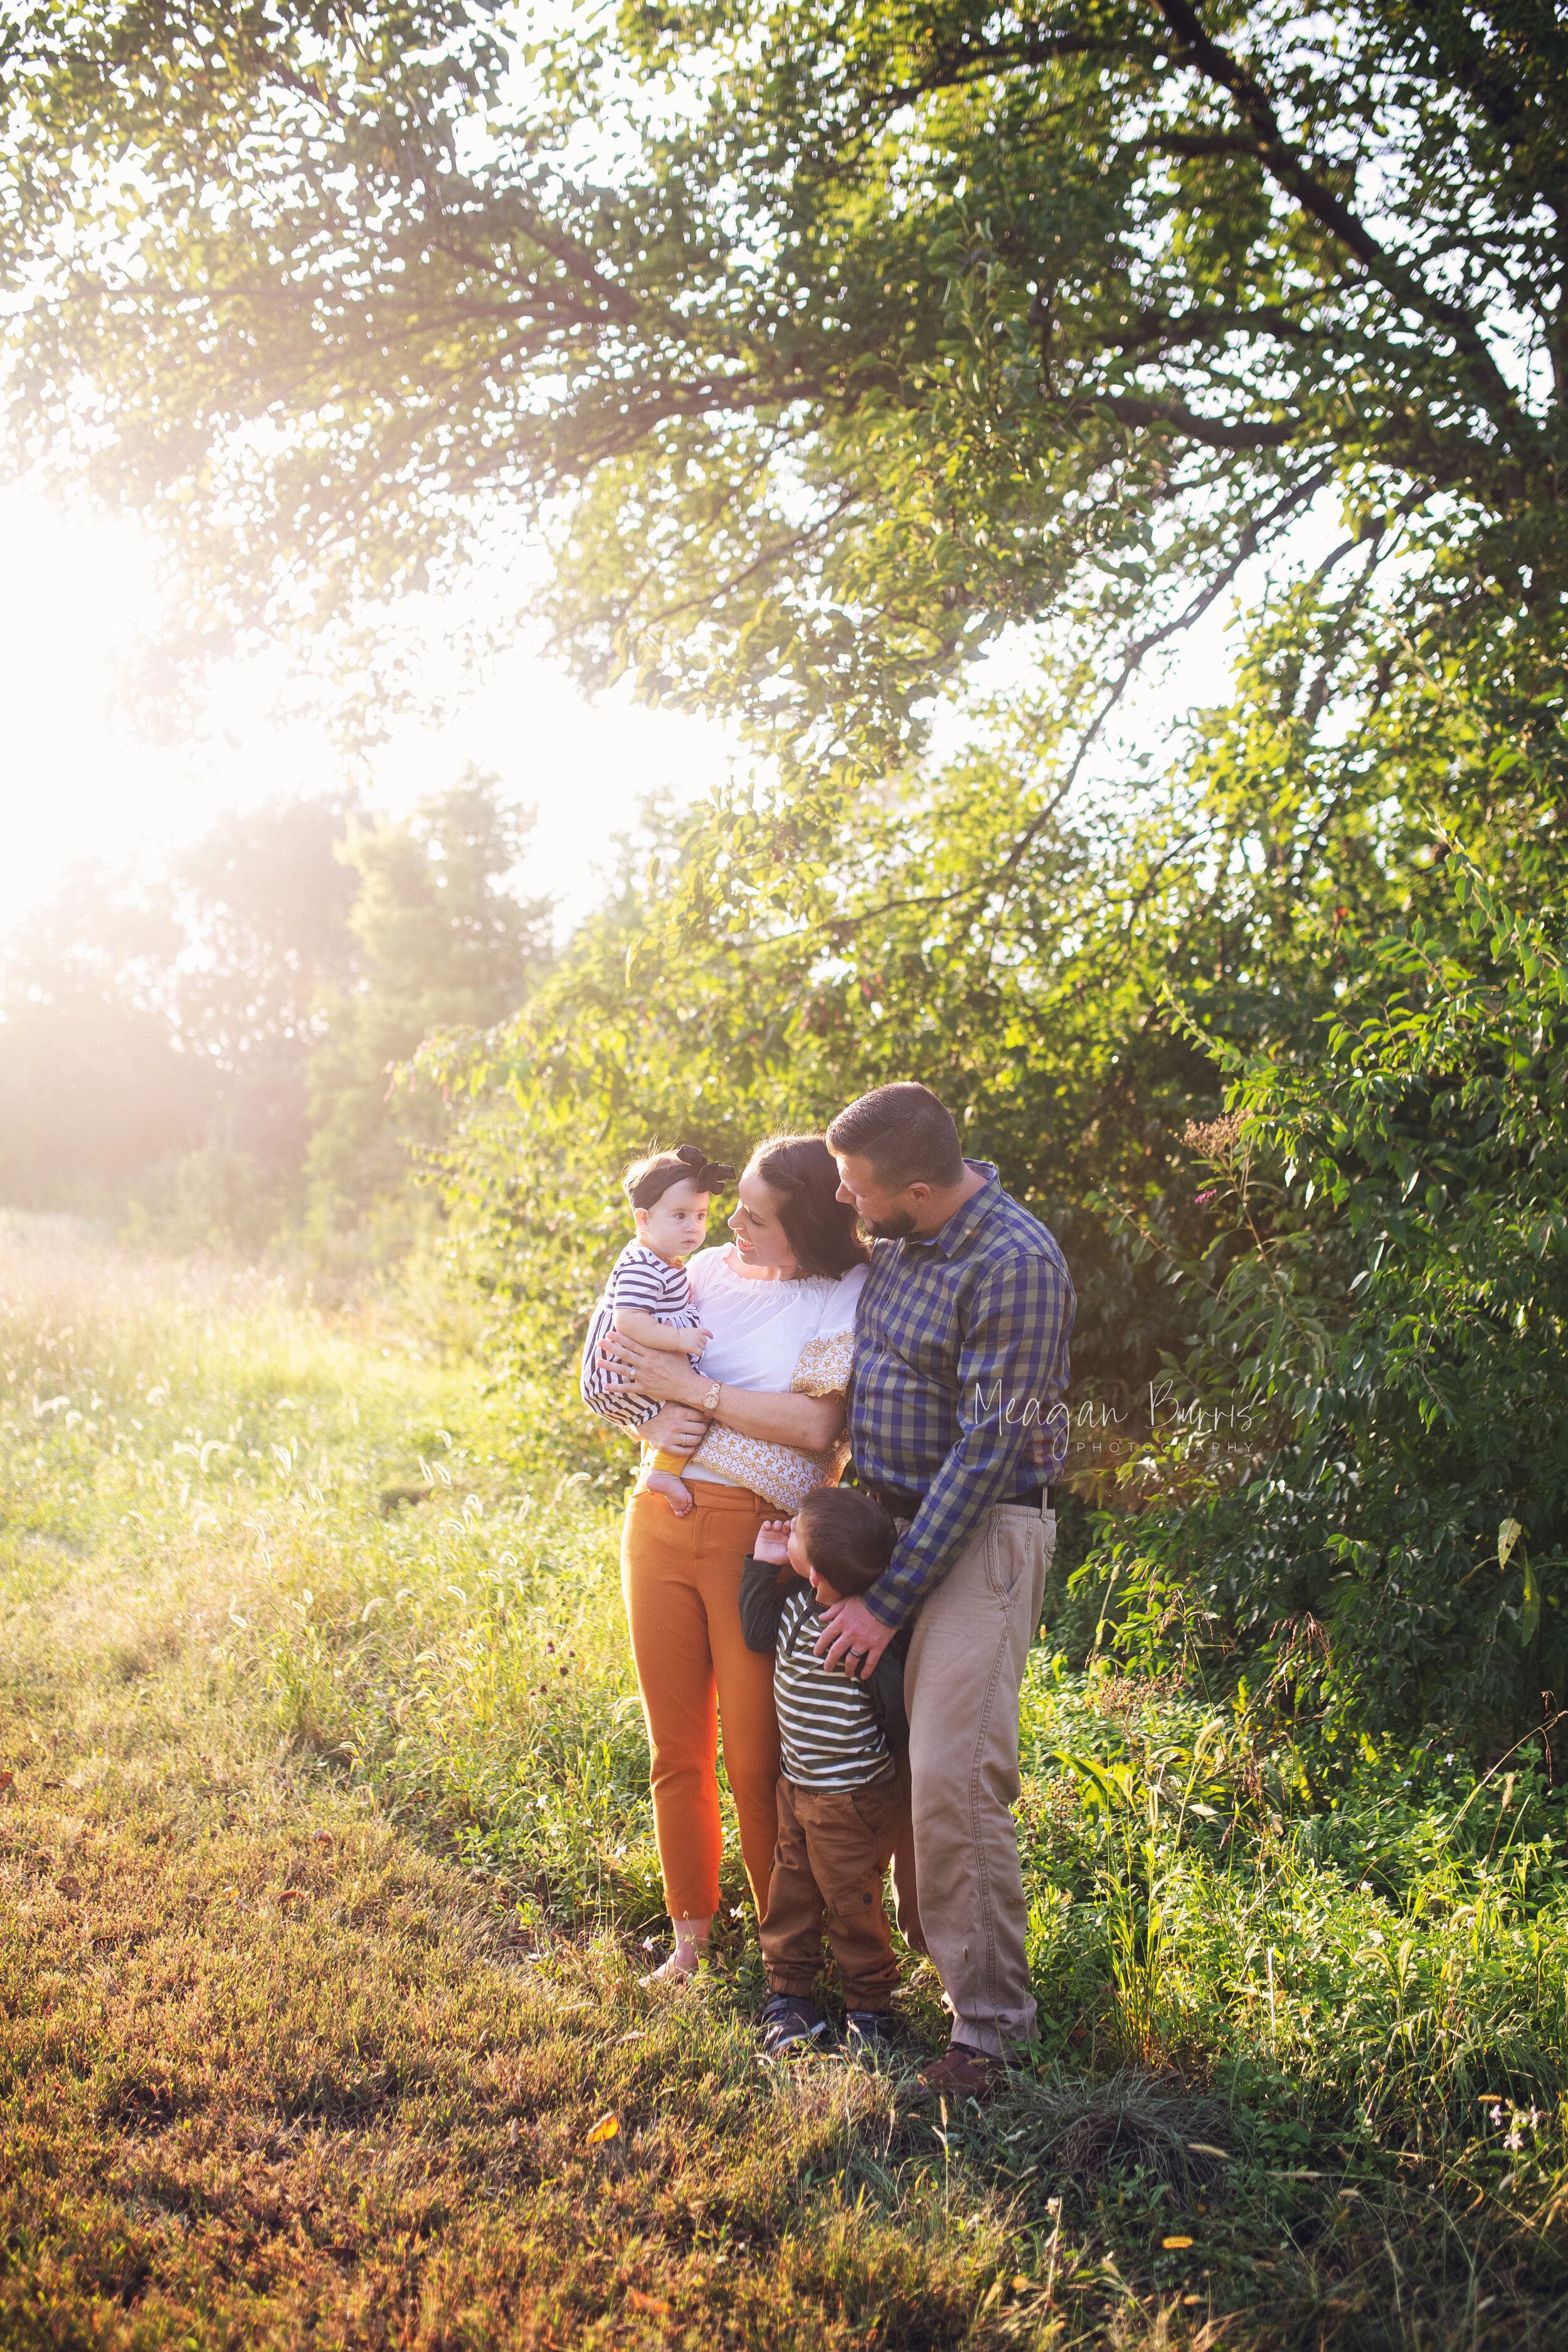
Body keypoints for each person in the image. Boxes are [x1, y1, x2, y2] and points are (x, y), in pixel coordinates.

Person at [818, 1082, 1074, 2099]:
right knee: (872, 1768)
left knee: (957, 1779)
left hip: (980, 1531)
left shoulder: (1016, 1263)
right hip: (877, 1521)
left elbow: (988, 1450)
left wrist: (888, 1601)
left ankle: (993, 2036)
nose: (848, 1205)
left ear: (917, 1190)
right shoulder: (894, 1242)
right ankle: (883, 1976)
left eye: (856, 1189)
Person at [595, 1133, 871, 1981]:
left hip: (758, 1538)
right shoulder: (699, 1270)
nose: (732, 1226)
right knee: (675, 1749)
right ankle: (691, 1940)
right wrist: (648, 1421)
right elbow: (611, 1358)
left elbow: (819, 1427)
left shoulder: (841, 1289)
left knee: (758, 1758)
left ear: (808, 1227)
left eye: (755, 1215)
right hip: (661, 1515)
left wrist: (699, 1393)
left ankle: (790, 1953)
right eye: (734, 1207)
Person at [738, 1487, 909, 2057]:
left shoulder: (856, 1630)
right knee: (790, 1890)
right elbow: (757, 1634)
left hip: (850, 1797)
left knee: (851, 1902)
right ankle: (791, 1997)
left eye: (795, 1536)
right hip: (799, 1786)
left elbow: (892, 1709)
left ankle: (871, 2008)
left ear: (819, 1577)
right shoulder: (796, 1608)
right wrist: (764, 1565)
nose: (788, 1532)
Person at [579, 1143, 736, 1513]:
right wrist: (680, 1337)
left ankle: (662, 1469)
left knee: (691, 1404)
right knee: (692, 1410)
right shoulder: (642, 1266)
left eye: (700, 1216)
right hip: (619, 1373)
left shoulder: (661, 1259)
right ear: (643, 1219)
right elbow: (629, 1321)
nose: (693, 1227)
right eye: (679, 1216)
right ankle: (663, 1473)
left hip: (634, 1362)